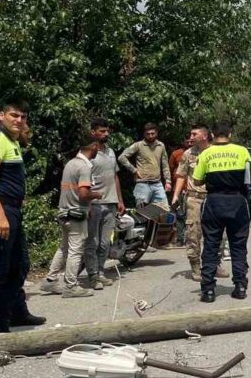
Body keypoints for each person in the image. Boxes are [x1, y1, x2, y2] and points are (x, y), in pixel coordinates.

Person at [0, 99, 45, 352]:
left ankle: (5, 323)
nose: (19, 120)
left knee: (18, 266)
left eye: (23, 116)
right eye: (14, 115)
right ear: (1, 115)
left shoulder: (12, 142)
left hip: (11, 211)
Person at [191, 121, 251, 303]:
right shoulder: (242, 151)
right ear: (230, 134)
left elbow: (198, 180)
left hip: (214, 202)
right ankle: (240, 286)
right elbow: (249, 179)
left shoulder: (206, 153)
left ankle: (208, 290)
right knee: (238, 246)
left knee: (210, 245)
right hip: (237, 202)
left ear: (212, 135)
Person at [38, 132, 100, 298]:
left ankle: (50, 281)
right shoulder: (84, 167)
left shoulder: (71, 163)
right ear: (94, 146)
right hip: (76, 214)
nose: (98, 150)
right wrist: (97, 195)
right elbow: (83, 194)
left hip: (64, 212)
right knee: (75, 250)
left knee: (63, 248)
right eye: (97, 147)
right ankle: (71, 286)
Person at [171, 125, 229, 281]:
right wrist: (175, 196)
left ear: (204, 136)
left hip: (214, 197)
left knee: (219, 234)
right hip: (194, 198)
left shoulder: (217, 152)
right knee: (193, 233)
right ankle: (196, 267)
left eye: (194, 134)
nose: (191, 136)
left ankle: (214, 264)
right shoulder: (188, 154)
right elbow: (181, 176)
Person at [83, 118, 124, 290]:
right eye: (102, 131)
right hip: (94, 204)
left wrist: (120, 199)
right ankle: (92, 276)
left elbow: (115, 176)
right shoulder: (88, 153)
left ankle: (100, 272)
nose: (106, 134)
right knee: (92, 241)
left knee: (105, 243)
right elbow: (82, 179)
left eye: (107, 131)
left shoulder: (111, 152)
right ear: (93, 132)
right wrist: (87, 204)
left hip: (111, 203)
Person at [118, 122, 171, 209]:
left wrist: (168, 181)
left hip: (157, 184)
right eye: (148, 134)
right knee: (142, 212)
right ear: (144, 134)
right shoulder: (138, 145)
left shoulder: (161, 145)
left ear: (156, 133)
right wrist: (134, 170)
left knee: (164, 211)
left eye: (152, 133)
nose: (150, 136)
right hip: (143, 184)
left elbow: (165, 164)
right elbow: (122, 157)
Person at [169, 136, 190, 248]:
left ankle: (191, 239)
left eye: (190, 140)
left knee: (191, 215)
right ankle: (180, 238)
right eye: (187, 140)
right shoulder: (176, 154)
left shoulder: (200, 153)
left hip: (193, 189)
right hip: (180, 189)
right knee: (180, 215)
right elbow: (171, 168)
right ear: (183, 141)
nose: (189, 142)